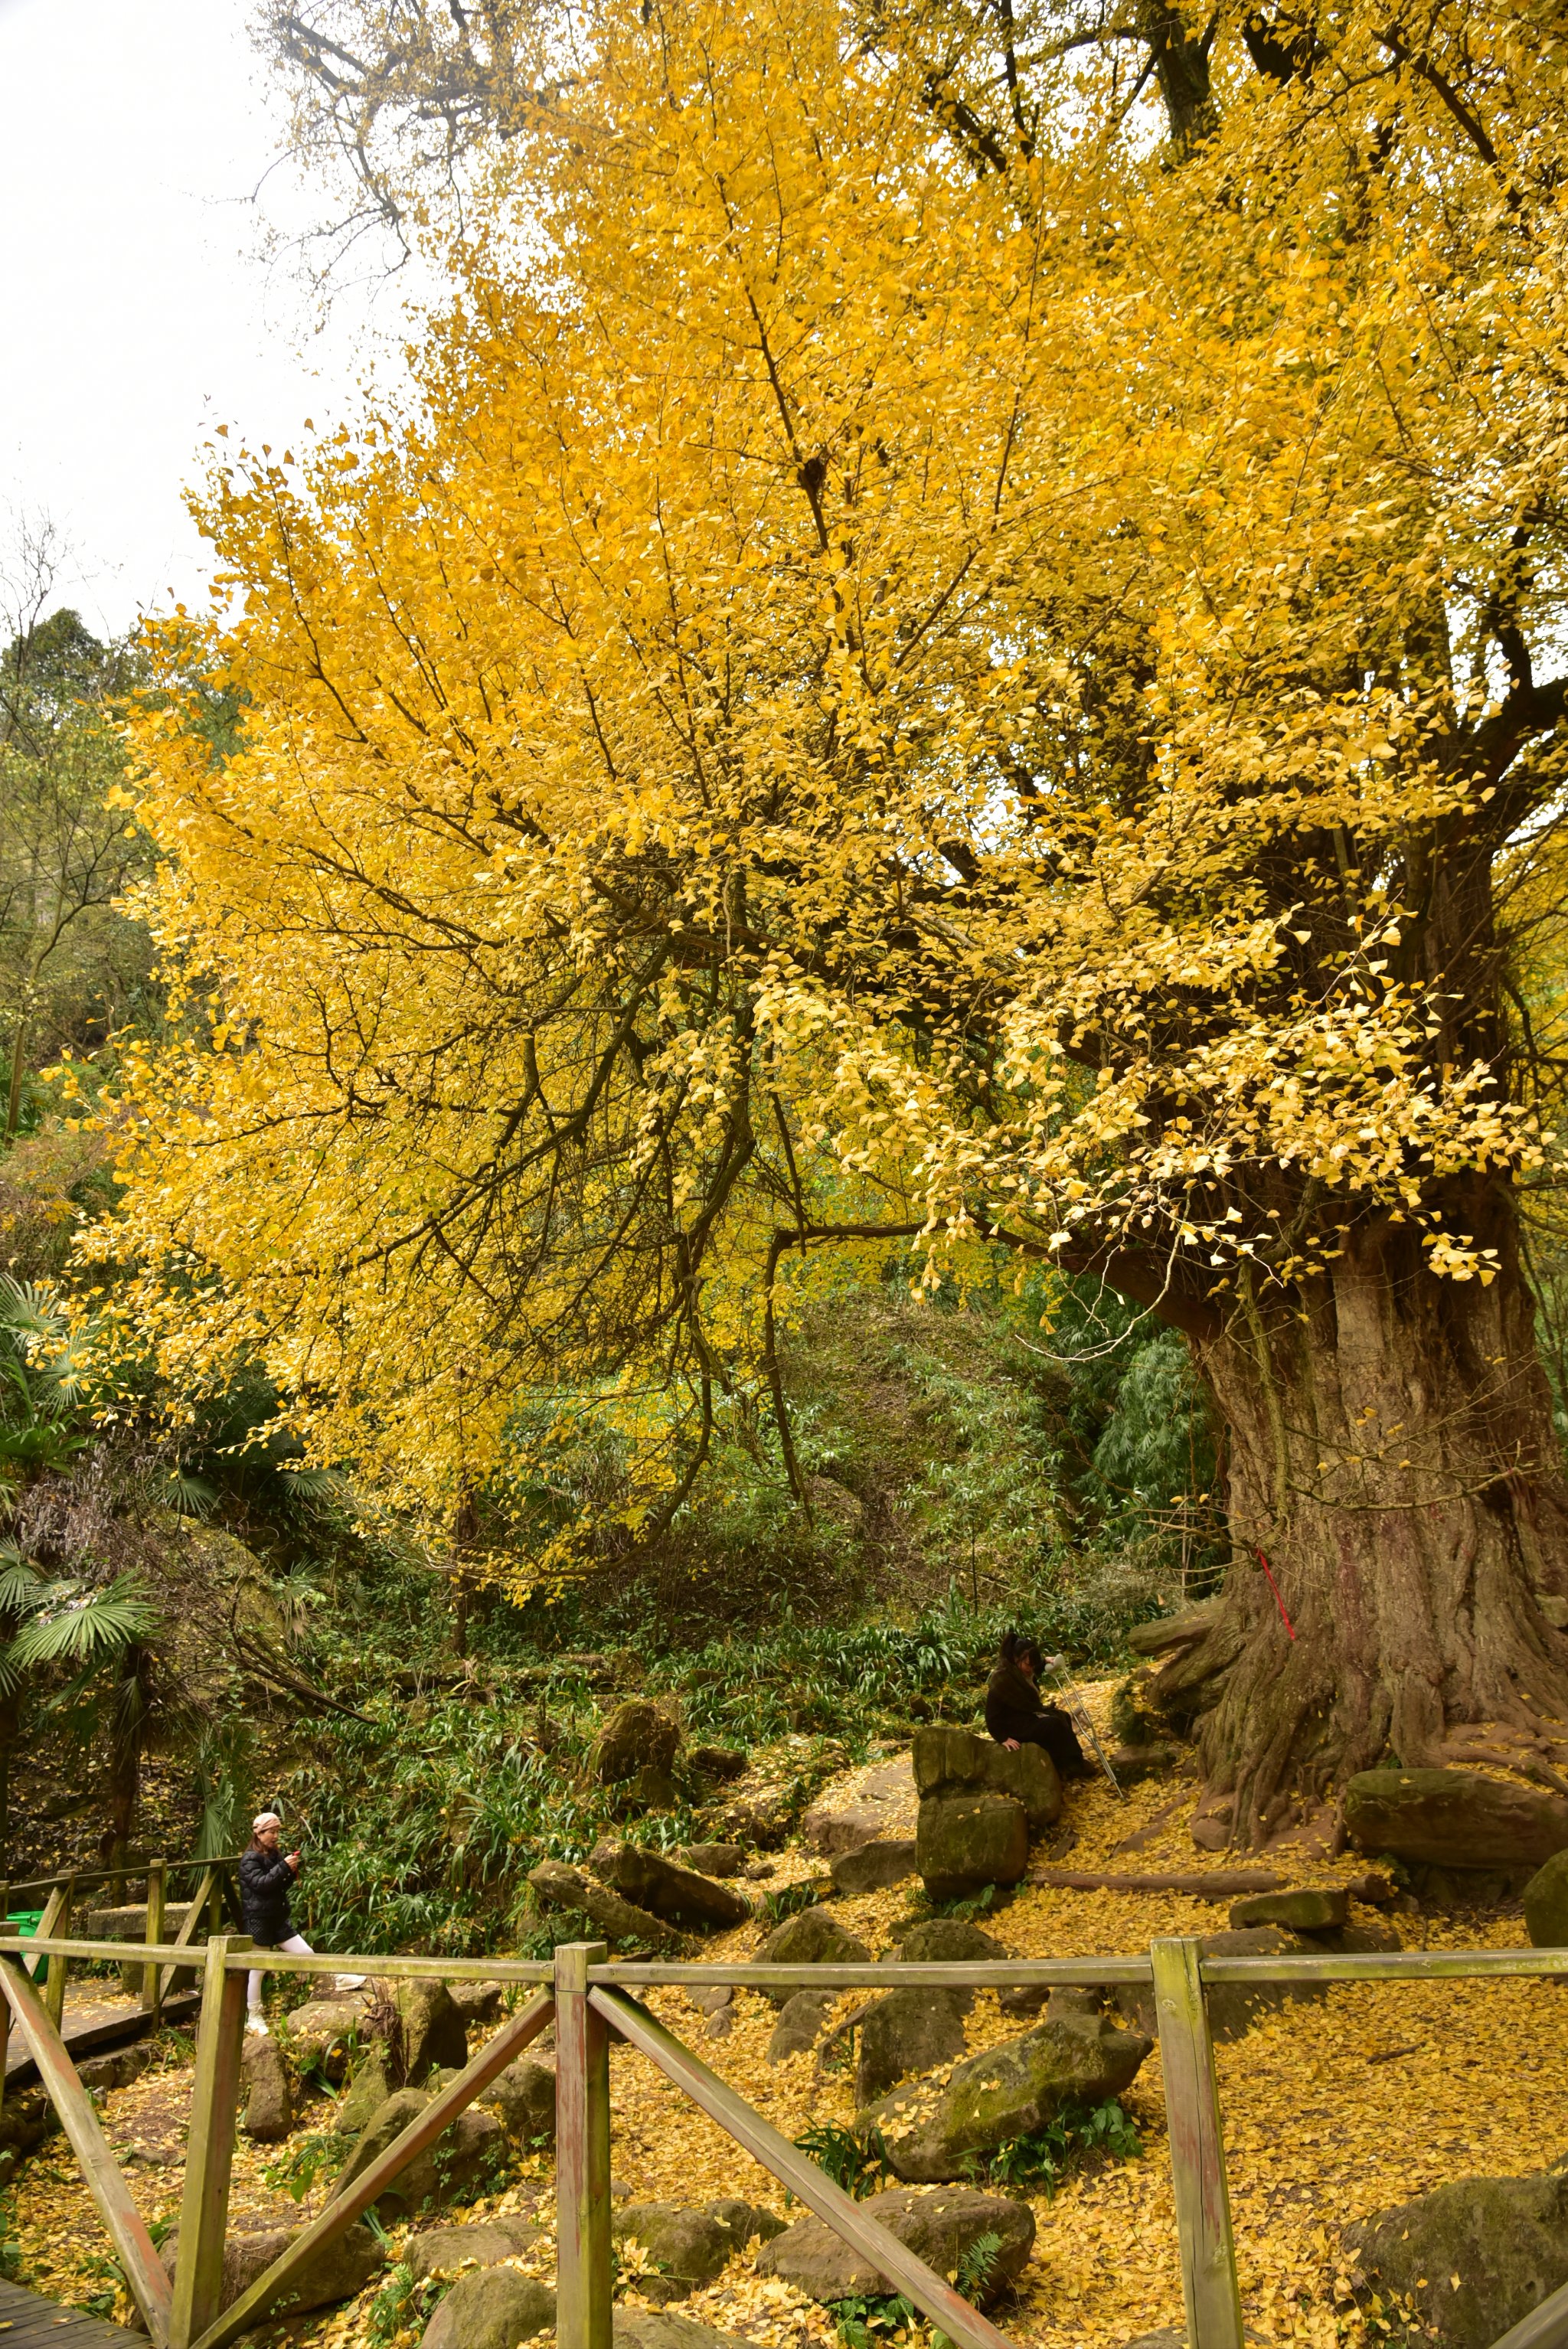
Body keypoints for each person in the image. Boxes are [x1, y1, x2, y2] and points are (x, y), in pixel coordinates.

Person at [238, 1811, 363, 2030]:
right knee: (257, 1970)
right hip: (258, 1920)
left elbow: (278, 1886)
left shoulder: (274, 1854)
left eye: (277, 1832)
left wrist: (289, 1871)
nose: (275, 1836)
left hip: (277, 1918)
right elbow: (261, 1885)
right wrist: (283, 1868)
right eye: (271, 1832)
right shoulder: (250, 1858)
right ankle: (254, 2017)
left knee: (306, 1954)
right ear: (259, 1833)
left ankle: (339, 1978)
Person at [985, 1631, 1092, 1779]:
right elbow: (991, 1716)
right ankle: (1071, 1764)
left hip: (1026, 1716)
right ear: (1016, 1659)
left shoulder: (1022, 1670)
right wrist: (1003, 1738)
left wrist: (1045, 1661)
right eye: (1028, 1665)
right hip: (1013, 1726)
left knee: (1064, 1716)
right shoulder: (1002, 1679)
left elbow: (1034, 1669)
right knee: (1052, 1724)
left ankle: (1069, 1762)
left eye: (1033, 1665)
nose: (1031, 1669)